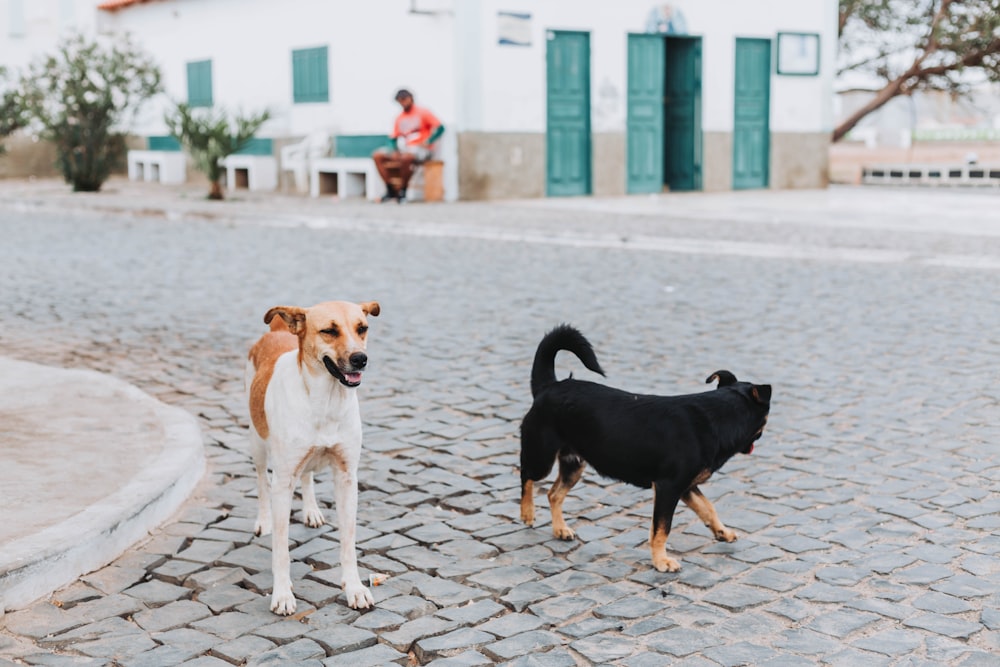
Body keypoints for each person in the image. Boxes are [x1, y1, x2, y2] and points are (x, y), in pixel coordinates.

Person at [372, 89, 443, 203]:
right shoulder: (399, 118)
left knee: (406, 158)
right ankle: (390, 190)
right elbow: (393, 138)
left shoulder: (423, 112)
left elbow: (440, 128)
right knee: (378, 155)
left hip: (421, 149)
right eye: (400, 101)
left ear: (411, 98)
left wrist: (429, 141)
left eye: (404, 99)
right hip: (404, 148)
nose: (403, 103)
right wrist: (394, 150)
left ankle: (402, 191)